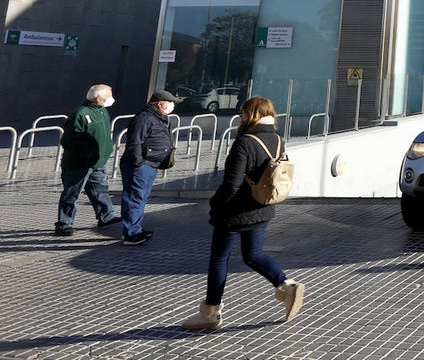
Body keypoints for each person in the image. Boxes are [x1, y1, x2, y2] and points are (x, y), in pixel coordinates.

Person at [182, 97, 304, 331]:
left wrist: (215, 204)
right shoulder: (277, 139)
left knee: (219, 259)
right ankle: (287, 285)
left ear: (249, 114)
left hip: (234, 212)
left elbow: (232, 184)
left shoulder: (244, 143)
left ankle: (210, 313)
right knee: (253, 255)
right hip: (262, 207)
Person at [55, 84, 120, 236]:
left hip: (99, 162)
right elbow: (69, 141)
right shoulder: (81, 114)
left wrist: (107, 149)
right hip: (79, 164)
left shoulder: (102, 111)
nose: (111, 99)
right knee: (72, 193)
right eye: (108, 95)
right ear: (98, 98)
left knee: (100, 190)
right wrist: (88, 153)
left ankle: (106, 216)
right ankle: (64, 224)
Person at [119, 90, 176, 245]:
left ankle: (133, 229)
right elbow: (135, 142)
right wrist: (138, 163)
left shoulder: (162, 118)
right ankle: (131, 234)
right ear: (159, 104)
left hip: (151, 165)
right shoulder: (144, 118)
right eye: (170, 103)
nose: (173, 105)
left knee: (140, 198)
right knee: (135, 198)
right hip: (141, 165)